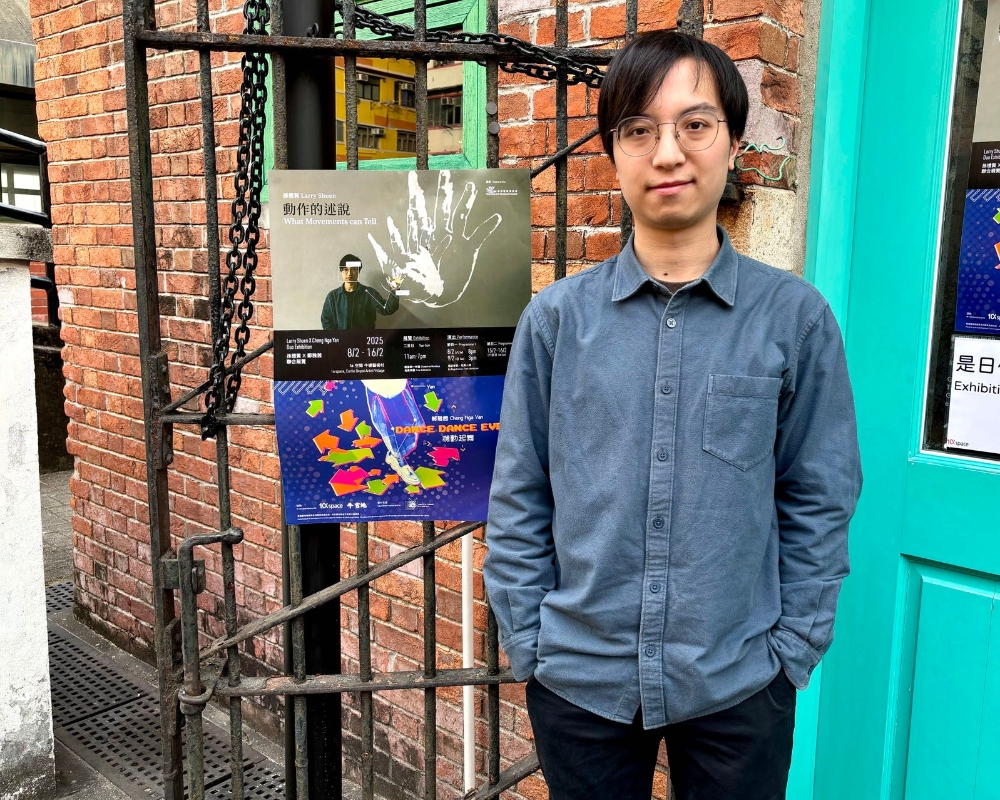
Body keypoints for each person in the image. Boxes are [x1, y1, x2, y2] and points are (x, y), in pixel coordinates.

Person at [483, 30, 863, 800]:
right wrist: (529, 642)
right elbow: (519, 493)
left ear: (732, 142)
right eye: (639, 129)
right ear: (613, 151)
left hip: (739, 681)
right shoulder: (556, 322)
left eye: (695, 124)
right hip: (580, 680)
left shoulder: (794, 320)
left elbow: (819, 495)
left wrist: (792, 651)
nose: (668, 153)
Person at [320, 253, 401, 330]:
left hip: (364, 338)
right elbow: (326, 321)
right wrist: (337, 337)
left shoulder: (369, 293)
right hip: (341, 339)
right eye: (345, 269)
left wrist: (395, 289)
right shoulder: (332, 296)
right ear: (341, 271)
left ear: (359, 271)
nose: (349, 273)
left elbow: (387, 309)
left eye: (353, 269)